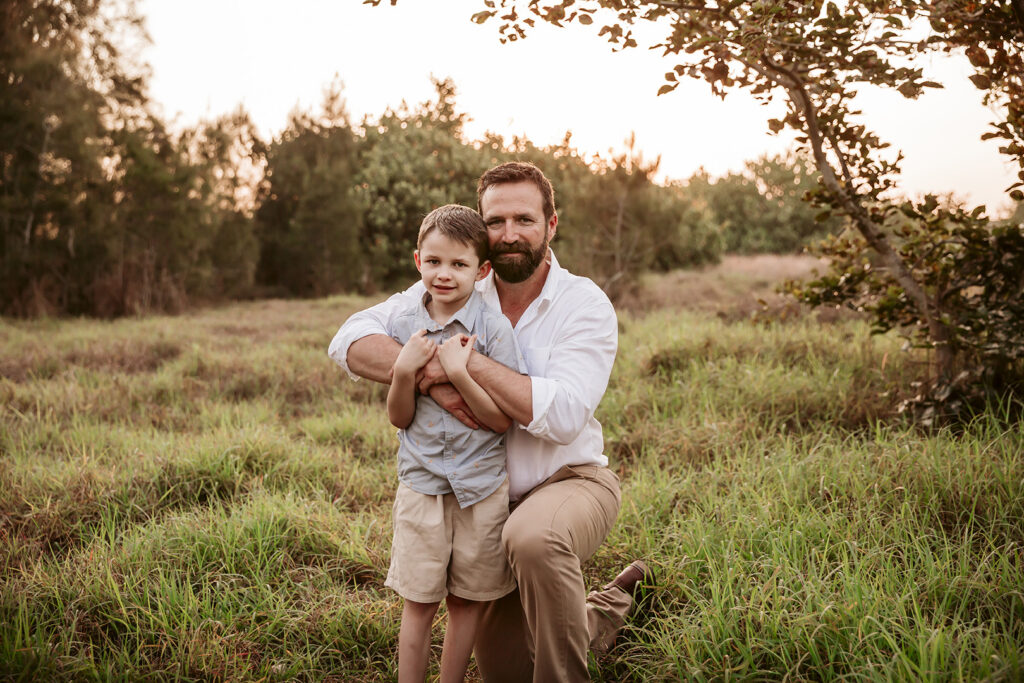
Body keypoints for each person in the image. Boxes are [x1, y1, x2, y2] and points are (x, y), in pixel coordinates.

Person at [329, 162, 654, 682]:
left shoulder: (583, 303)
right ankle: (611, 604)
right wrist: (435, 375)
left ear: (551, 224)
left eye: (523, 219)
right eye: (495, 221)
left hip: (569, 481)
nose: (508, 235)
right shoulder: (457, 280)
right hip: (480, 501)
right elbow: (349, 338)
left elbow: (566, 415)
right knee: (508, 669)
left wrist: (469, 363)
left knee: (532, 538)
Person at [375, 204, 522, 683]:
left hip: (481, 489)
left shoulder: (493, 329)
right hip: (421, 487)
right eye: (434, 261)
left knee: (465, 602)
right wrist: (403, 371)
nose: (444, 274)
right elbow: (399, 417)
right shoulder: (401, 326)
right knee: (418, 601)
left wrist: (460, 372)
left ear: (481, 271)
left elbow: (500, 421)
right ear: (417, 260)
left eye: (459, 265)